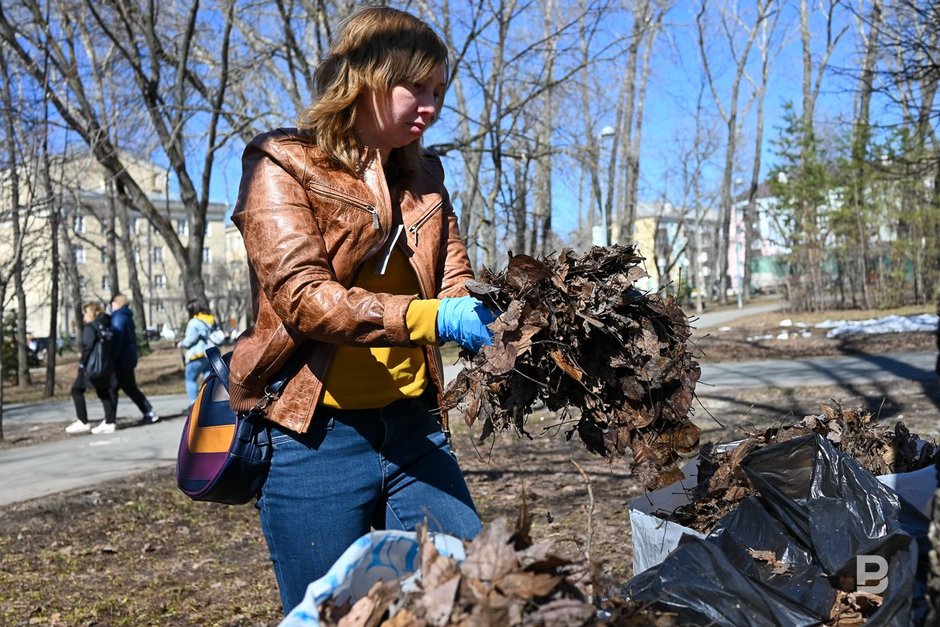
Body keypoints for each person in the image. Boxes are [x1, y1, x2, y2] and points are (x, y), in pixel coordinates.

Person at [227, 6, 495, 613]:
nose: (431, 106)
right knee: (332, 613)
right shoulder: (281, 164)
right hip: (313, 440)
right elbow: (304, 300)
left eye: (439, 91)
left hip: (413, 429)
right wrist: (431, 319)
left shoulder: (426, 175)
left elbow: (454, 277)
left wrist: (497, 321)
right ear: (366, 79)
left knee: (472, 594)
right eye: (415, 88)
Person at [65, 302, 118, 435]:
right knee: (103, 391)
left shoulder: (91, 327)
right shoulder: (107, 325)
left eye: (85, 313)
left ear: (90, 313)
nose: (83, 316)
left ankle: (83, 421)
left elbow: (87, 345)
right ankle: (109, 422)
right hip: (105, 365)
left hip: (91, 365)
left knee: (76, 390)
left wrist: (82, 360)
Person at [110, 294, 158, 425]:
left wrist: (112, 356)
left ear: (117, 303)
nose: (110, 306)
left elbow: (117, 339)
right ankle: (148, 411)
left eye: (112, 303)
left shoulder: (119, 318)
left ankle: (110, 420)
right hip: (127, 358)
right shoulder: (126, 316)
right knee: (126, 387)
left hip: (121, 359)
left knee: (117, 388)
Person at [179, 300, 217, 403]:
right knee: (208, 380)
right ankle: (210, 401)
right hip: (208, 354)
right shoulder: (210, 320)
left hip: (195, 355)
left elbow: (190, 339)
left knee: (190, 379)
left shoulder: (193, 322)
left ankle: (194, 404)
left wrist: (182, 343)